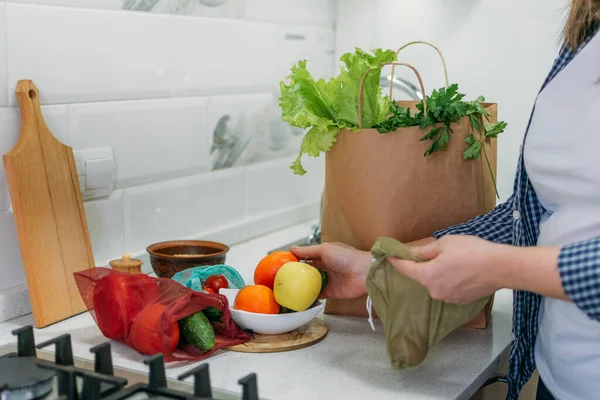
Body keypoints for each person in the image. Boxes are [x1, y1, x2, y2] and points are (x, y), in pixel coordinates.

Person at [292, 2, 600, 400]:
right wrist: (377, 265)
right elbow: (531, 216)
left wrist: (499, 268)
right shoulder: (584, 41)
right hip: (559, 377)